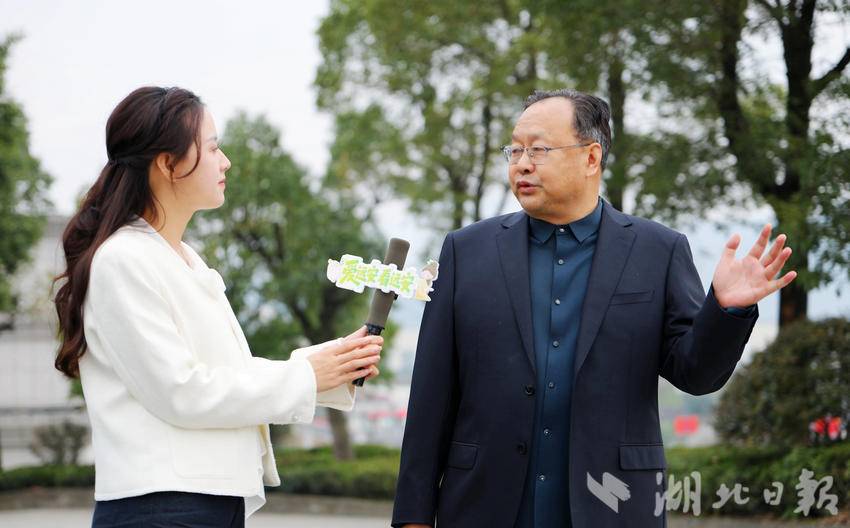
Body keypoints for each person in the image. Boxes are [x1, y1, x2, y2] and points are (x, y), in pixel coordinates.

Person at [392, 89, 796, 528]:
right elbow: (431, 395)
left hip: (613, 506)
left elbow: (696, 374)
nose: (522, 163)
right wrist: (413, 518)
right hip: (483, 507)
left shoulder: (657, 251)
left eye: (539, 149)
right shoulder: (466, 251)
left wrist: (726, 311)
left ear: (591, 157)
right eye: (515, 150)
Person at [52, 86, 383, 527]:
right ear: (168, 164)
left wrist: (331, 365)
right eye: (211, 148)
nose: (225, 161)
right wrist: (306, 376)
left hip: (201, 502)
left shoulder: (183, 257)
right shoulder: (122, 259)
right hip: (162, 507)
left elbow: (224, 373)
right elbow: (181, 391)